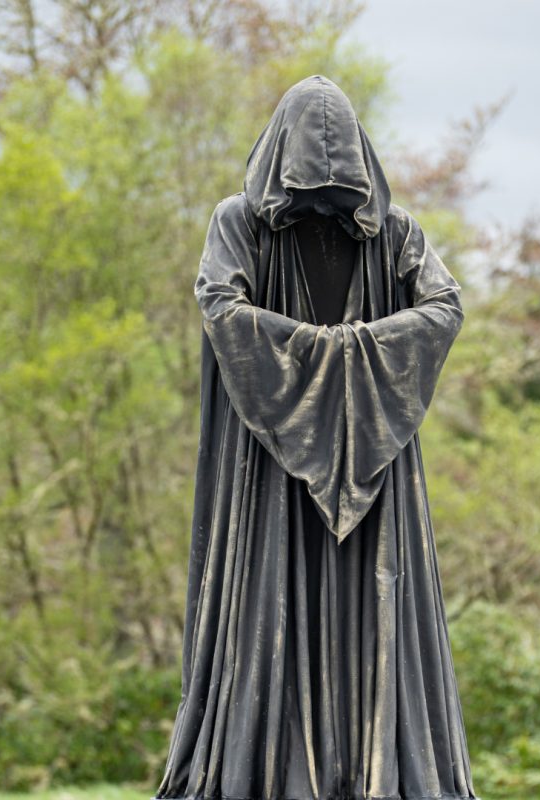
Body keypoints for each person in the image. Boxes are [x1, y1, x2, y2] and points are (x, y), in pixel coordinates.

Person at [152, 74, 479, 800]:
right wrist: (348, 355)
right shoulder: (241, 224)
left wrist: (330, 353)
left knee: (372, 604)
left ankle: (371, 772)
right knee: (268, 606)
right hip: (268, 467)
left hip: (372, 470)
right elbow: (220, 304)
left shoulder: (395, 234)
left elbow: (444, 304)